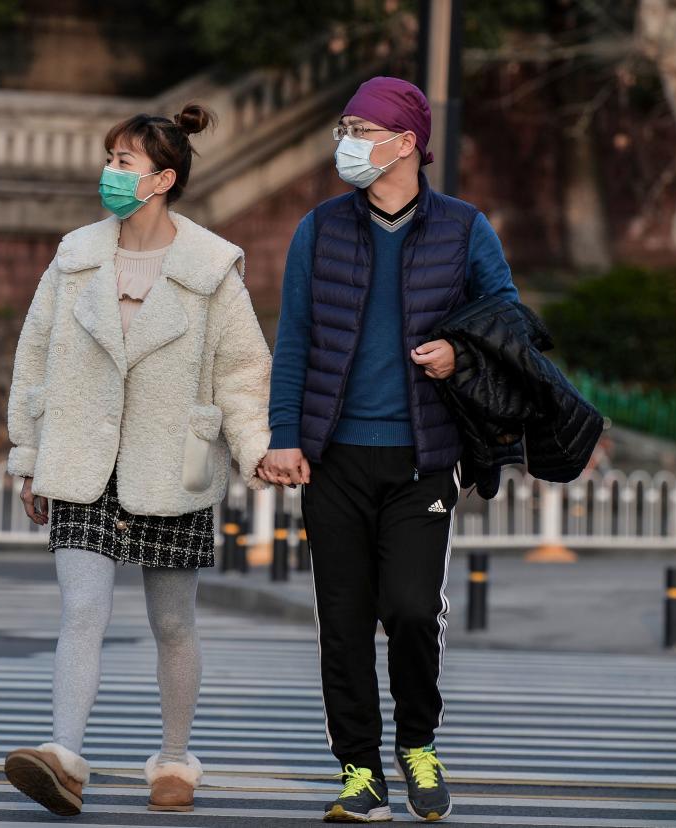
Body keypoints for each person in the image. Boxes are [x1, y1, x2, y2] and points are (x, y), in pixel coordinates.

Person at [258, 76, 520, 823]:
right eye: (344, 126)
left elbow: (507, 324)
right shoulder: (321, 227)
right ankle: (359, 772)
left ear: (407, 143)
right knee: (340, 621)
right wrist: (285, 436)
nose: (347, 142)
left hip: (423, 458)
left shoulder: (465, 228)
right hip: (335, 457)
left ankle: (418, 745)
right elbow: (297, 339)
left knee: (409, 609)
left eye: (361, 129)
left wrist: (459, 357)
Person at [1, 103, 270, 817]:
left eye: (125, 162)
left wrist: (255, 451)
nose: (110, 173)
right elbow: (35, 357)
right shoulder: (75, 256)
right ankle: (62, 756)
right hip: (83, 461)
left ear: (162, 179)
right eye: (111, 158)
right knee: (81, 609)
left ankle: (175, 761)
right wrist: (28, 454)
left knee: (173, 623)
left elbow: (243, 373)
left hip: (169, 466)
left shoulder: (212, 269)